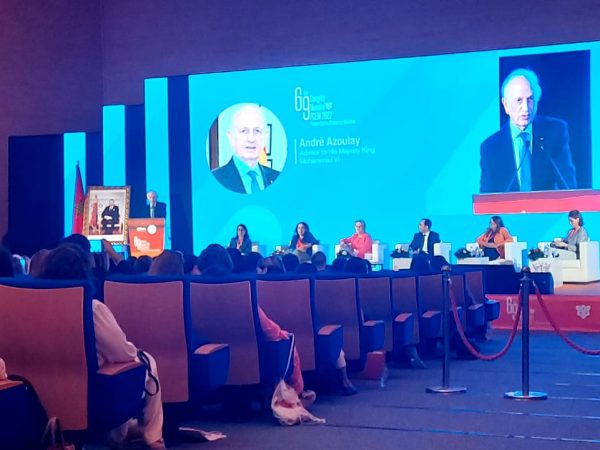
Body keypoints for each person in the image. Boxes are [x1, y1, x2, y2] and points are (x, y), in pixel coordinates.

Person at [36, 244, 166, 450]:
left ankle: (123, 432)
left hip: (37, 397)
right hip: (89, 397)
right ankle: (153, 437)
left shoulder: (26, 307)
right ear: (84, 272)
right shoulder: (92, 308)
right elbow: (123, 352)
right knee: (147, 360)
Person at [480, 68, 577, 193]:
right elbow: (486, 198)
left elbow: (568, 185)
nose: (526, 108)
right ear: (505, 104)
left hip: (546, 206)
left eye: (530, 99)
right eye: (518, 100)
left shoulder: (555, 132)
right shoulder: (490, 148)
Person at [212, 104, 280, 194]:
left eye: (257, 131)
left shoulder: (277, 177)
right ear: (231, 137)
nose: (251, 139)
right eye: (244, 131)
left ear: (266, 137)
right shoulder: (215, 179)